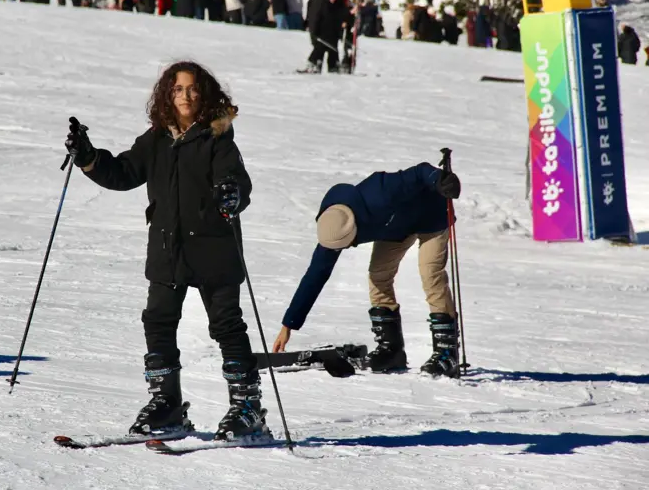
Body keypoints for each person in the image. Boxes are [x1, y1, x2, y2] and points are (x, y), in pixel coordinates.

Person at [63, 61, 270, 442]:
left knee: (225, 324)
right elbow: (123, 172)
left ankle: (247, 407)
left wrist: (232, 193)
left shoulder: (217, 137)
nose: (186, 96)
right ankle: (166, 405)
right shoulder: (156, 139)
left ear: (204, 93)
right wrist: (89, 157)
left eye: (192, 89)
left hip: (213, 247)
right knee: (157, 320)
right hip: (167, 248)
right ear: (167, 94)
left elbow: (236, 178)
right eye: (178, 89)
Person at [272, 162, 463, 378]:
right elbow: (315, 276)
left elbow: (419, 173)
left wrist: (439, 179)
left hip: (432, 216)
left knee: (430, 275)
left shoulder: (380, 191)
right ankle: (391, 351)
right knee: (378, 276)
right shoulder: (334, 227)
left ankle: (447, 353)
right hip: (395, 229)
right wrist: (289, 325)